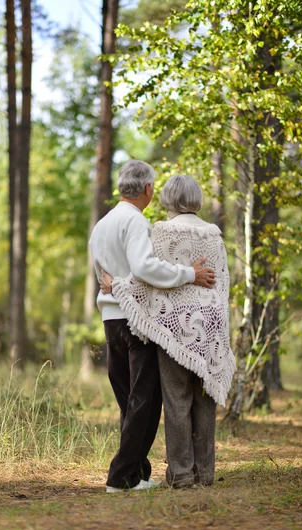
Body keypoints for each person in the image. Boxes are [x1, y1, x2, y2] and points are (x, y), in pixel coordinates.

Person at [100, 174, 235, 488]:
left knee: (177, 401)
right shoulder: (215, 236)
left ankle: (181, 474)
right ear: (197, 199)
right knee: (205, 401)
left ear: (168, 199)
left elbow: (147, 276)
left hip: (175, 331)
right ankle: (206, 473)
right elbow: (223, 287)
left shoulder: (161, 232)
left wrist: (115, 285)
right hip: (211, 329)